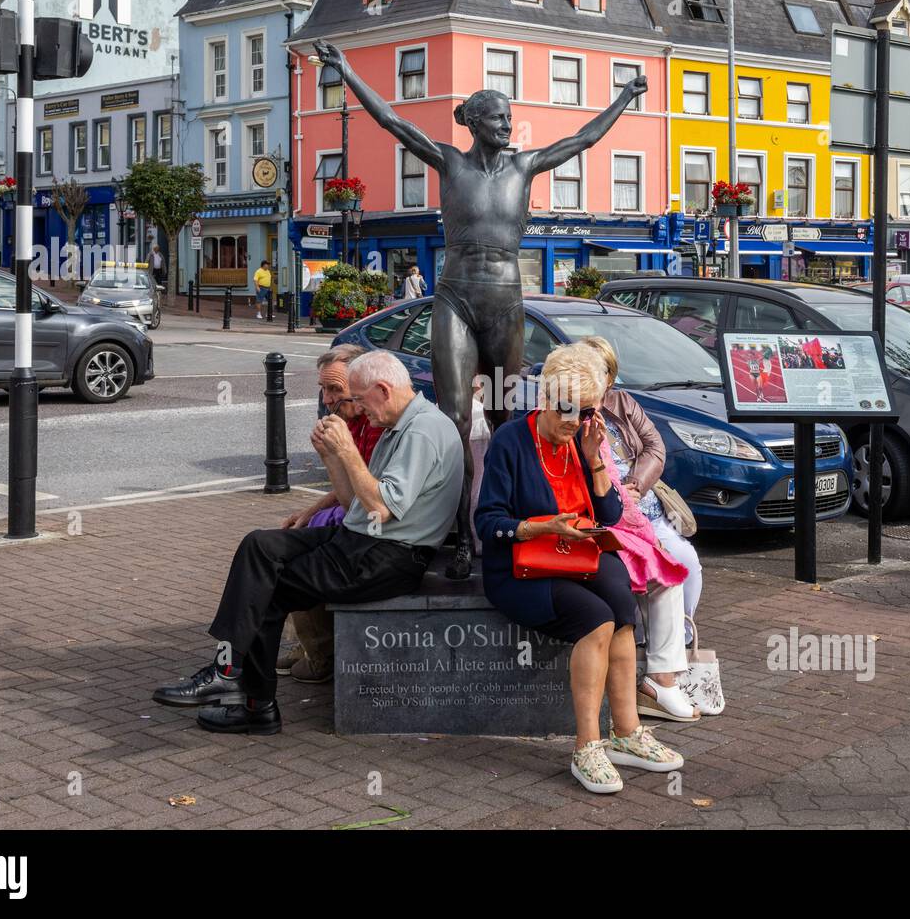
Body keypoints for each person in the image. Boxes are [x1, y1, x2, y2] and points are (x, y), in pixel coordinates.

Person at [315, 37, 647, 582]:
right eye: (496, 118)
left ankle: (505, 521)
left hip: (504, 299)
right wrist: (347, 70)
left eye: (510, 117)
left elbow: (584, 137)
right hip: (455, 297)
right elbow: (394, 123)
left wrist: (625, 97)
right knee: (454, 418)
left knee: (505, 417)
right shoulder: (449, 161)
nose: (507, 125)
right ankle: (459, 534)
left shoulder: (526, 164)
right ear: (472, 122)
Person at [152, 350, 462, 734]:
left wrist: (348, 450)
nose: (359, 409)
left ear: (383, 389)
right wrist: (333, 457)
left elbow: (381, 507)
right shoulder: (400, 425)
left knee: (265, 590)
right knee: (259, 546)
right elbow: (354, 504)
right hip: (361, 538)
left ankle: (249, 698)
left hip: (388, 555)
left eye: (361, 399)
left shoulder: (423, 431)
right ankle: (232, 676)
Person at [475, 344, 685, 794]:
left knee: (622, 600)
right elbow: (488, 523)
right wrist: (543, 526)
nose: (574, 420)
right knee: (596, 620)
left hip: (575, 556)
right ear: (545, 399)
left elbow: (609, 515)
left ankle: (627, 733)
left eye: (586, 410)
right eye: (566, 409)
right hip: (521, 566)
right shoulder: (512, 441)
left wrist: (594, 462)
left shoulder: (586, 439)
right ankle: (587, 747)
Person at [580, 335, 707, 677]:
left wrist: (636, 483)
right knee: (644, 574)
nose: (593, 378)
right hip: (613, 517)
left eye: (600, 371)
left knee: (687, 562)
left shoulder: (623, 402)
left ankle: (675, 644)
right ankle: (646, 651)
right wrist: (616, 493)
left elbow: (654, 446)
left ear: (609, 376)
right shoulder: (575, 413)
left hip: (646, 505)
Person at [274, 344, 383, 684]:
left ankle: (320, 653)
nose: (326, 398)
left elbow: (365, 495)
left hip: (374, 522)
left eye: (335, 388)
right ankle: (306, 642)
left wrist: (336, 457)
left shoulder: (376, 421)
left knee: (303, 551)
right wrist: (309, 509)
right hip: (356, 509)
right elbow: (344, 485)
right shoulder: (352, 420)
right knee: (293, 533)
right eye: (323, 388)